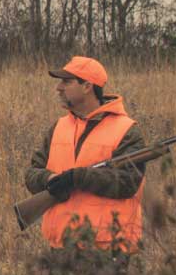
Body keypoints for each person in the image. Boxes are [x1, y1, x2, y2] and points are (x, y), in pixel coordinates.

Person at [24, 55, 146, 251]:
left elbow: (128, 182)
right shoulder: (58, 127)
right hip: (61, 247)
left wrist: (79, 177)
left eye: (67, 81)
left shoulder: (126, 130)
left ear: (87, 86)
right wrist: (51, 179)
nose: (59, 88)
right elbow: (31, 173)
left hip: (107, 248)